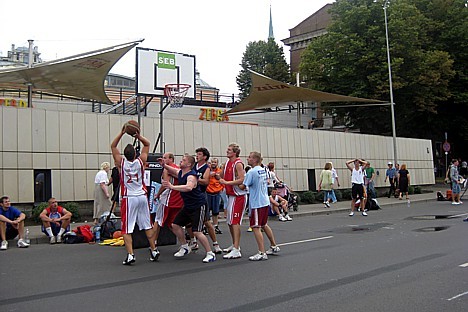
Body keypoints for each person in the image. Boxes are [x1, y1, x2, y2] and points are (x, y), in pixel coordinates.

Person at [111, 126, 157, 265]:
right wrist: (138, 136)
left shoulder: (121, 163)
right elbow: (147, 144)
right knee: (147, 225)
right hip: (142, 196)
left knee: (126, 228)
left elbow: (113, 146)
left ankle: (130, 255)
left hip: (129, 197)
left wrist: (122, 133)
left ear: (124, 154)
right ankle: (154, 250)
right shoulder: (141, 161)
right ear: (135, 154)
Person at [161, 154, 216, 263]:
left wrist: (172, 187)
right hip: (188, 206)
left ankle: (210, 253)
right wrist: (164, 165)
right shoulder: (181, 173)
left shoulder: (192, 176)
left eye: (184, 160)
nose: (181, 161)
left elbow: (189, 187)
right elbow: (173, 170)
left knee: (197, 232)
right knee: (175, 225)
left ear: (189, 164)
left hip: (198, 205)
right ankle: (185, 246)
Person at [240, 151, 281, 261]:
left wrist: (228, 182)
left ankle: (261, 252)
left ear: (254, 160)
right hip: (265, 201)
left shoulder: (251, 172)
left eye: (249, 157)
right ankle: (273, 246)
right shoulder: (264, 170)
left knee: (256, 227)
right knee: (264, 224)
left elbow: (243, 186)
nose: (247, 159)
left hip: (257, 203)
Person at [150, 152, 184, 260]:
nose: (163, 160)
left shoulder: (167, 169)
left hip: (167, 199)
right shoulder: (177, 169)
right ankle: (186, 243)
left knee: (158, 221)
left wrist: (157, 194)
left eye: (165, 158)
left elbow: (165, 184)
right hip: (177, 199)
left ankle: (153, 245)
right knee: (173, 224)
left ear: (171, 159)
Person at [219, 143, 247, 259]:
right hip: (231, 195)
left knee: (235, 222)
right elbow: (219, 175)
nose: (227, 151)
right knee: (230, 222)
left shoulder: (238, 164)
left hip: (238, 196)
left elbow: (242, 179)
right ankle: (234, 244)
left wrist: (227, 183)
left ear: (235, 152)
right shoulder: (226, 164)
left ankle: (237, 249)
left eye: (229, 150)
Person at [192, 147, 222, 254]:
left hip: (201, 195)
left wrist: (194, 178)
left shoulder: (206, 168)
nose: (197, 156)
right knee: (189, 221)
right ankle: (193, 241)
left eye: (199, 154)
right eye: (197, 154)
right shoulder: (194, 165)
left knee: (207, 221)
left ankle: (215, 244)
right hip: (192, 195)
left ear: (204, 157)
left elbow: (205, 181)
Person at [206, 157, 224, 234]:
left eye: (215, 162)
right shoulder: (207, 171)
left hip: (216, 193)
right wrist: (209, 175)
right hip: (208, 192)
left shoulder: (219, 172)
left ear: (217, 163)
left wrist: (221, 188)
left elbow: (222, 181)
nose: (213, 163)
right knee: (207, 211)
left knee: (215, 211)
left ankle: (215, 226)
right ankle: (206, 227)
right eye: (212, 162)